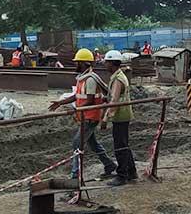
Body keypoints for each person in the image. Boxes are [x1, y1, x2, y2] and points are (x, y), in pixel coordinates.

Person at [48, 48, 116, 181]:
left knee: (77, 143)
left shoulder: (90, 79)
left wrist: (76, 109)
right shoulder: (83, 78)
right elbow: (76, 96)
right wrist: (61, 102)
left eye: (77, 62)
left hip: (91, 116)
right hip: (86, 116)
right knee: (93, 144)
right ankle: (109, 165)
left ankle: (75, 176)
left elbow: (90, 100)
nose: (75, 64)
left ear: (84, 63)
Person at [101, 50, 137, 186]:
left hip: (120, 115)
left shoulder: (117, 79)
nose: (105, 65)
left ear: (112, 63)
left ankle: (122, 175)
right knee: (124, 144)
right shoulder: (119, 76)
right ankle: (131, 171)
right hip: (123, 114)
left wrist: (105, 118)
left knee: (120, 146)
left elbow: (115, 100)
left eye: (107, 62)